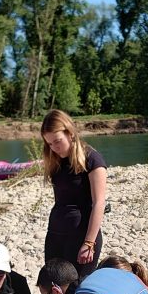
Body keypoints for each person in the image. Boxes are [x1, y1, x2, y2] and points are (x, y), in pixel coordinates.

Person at [41, 110, 108, 279]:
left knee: (76, 291)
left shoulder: (92, 159)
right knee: (54, 289)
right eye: (49, 144)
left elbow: (99, 203)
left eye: (57, 141)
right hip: (56, 234)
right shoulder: (57, 162)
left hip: (80, 236)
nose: (54, 148)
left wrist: (89, 243)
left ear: (70, 134)